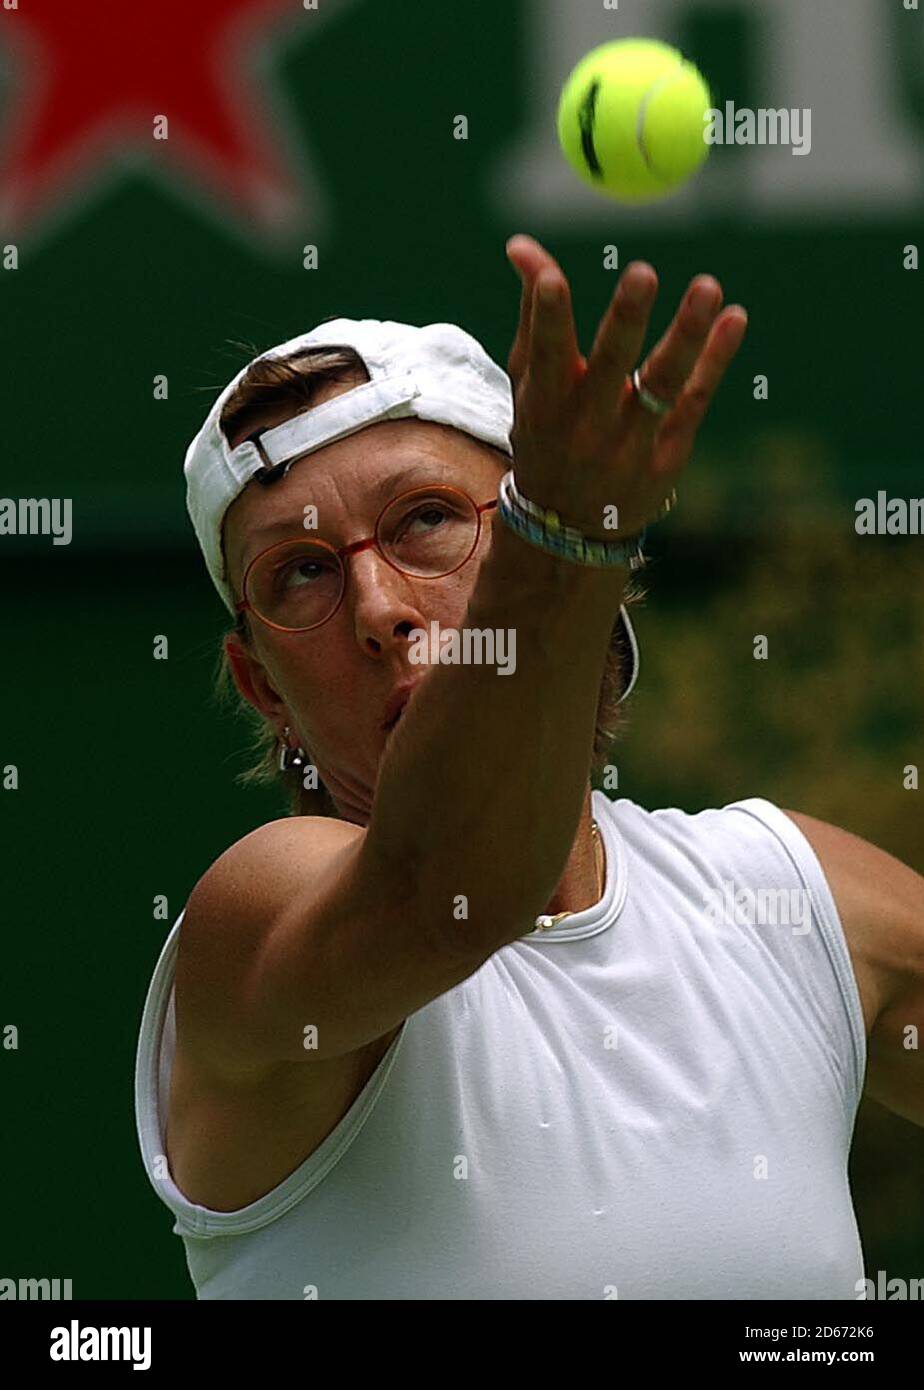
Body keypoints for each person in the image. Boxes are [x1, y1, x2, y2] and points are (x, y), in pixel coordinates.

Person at [135, 234, 923, 1300]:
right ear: (265, 685)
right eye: (302, 573)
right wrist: (564, 540)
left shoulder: (785, 895)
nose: (378, 610)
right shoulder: (253, 923)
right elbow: (453, 891)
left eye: (425, 521)